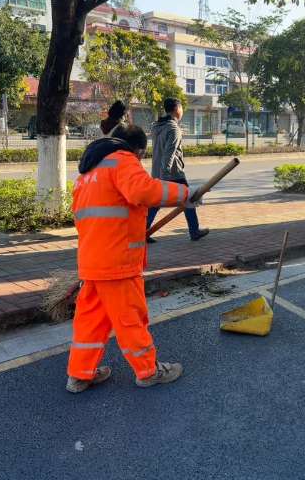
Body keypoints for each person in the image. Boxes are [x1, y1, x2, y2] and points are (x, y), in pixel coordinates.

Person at [66, 123, 203, 393]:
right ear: (138, 150)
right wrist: (185, 195)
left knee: (90, 321)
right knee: (131, 319)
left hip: (92, 262)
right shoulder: (123, 160)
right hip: (117, 263)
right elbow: (143, 190)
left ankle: (79, 374)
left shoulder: (88, 173)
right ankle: (148, 371)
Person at [146, 98, 209, 243]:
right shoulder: (173, 128)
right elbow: (169, 153)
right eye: (181, 108)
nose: (182, 111)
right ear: (176, 109)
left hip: (157, 171)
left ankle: (143, 231)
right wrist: (165, 177)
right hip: (172, 173)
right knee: (189, 199)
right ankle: (194, 231)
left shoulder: (157, 126)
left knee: (155, 202)